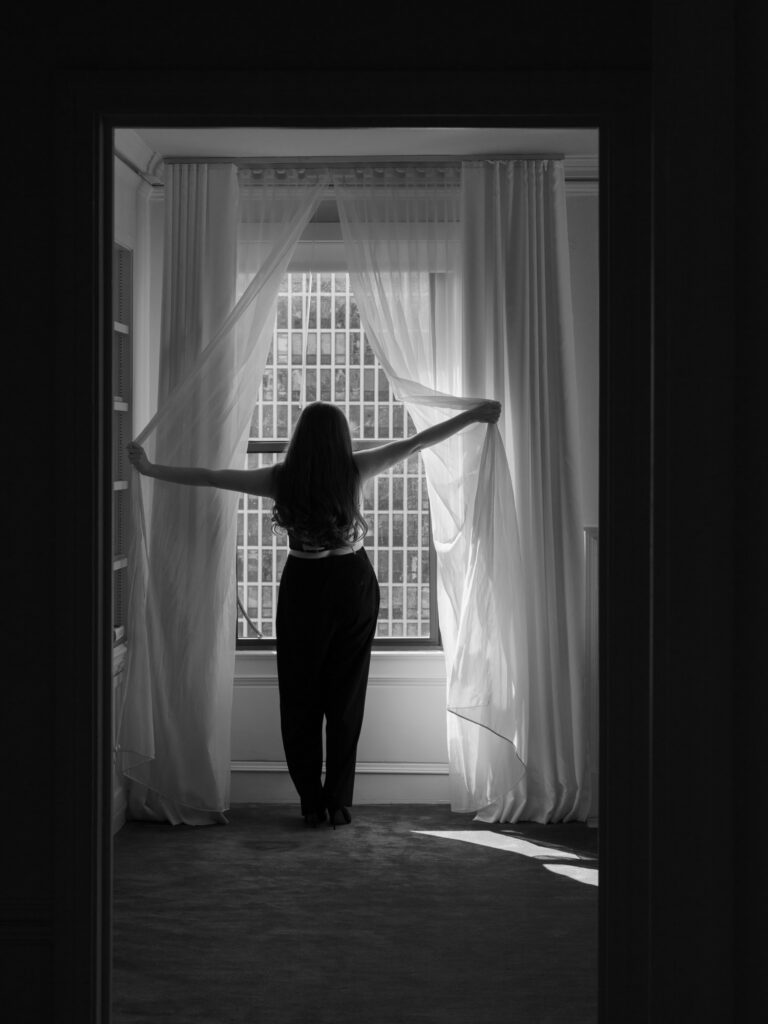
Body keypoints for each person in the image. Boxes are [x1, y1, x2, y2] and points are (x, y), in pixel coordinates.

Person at [127, 397, 501, 829]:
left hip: (304, 586)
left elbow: (211, 477)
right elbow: (417, 442)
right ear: (340, 439)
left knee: (300, 698)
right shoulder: (354, 469)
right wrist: (472, 416)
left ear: (300, 440)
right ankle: (338, 801)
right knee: (345, 697)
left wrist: (151, 469)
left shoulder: (282, 479)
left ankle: (311, 801)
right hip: (352, 582)